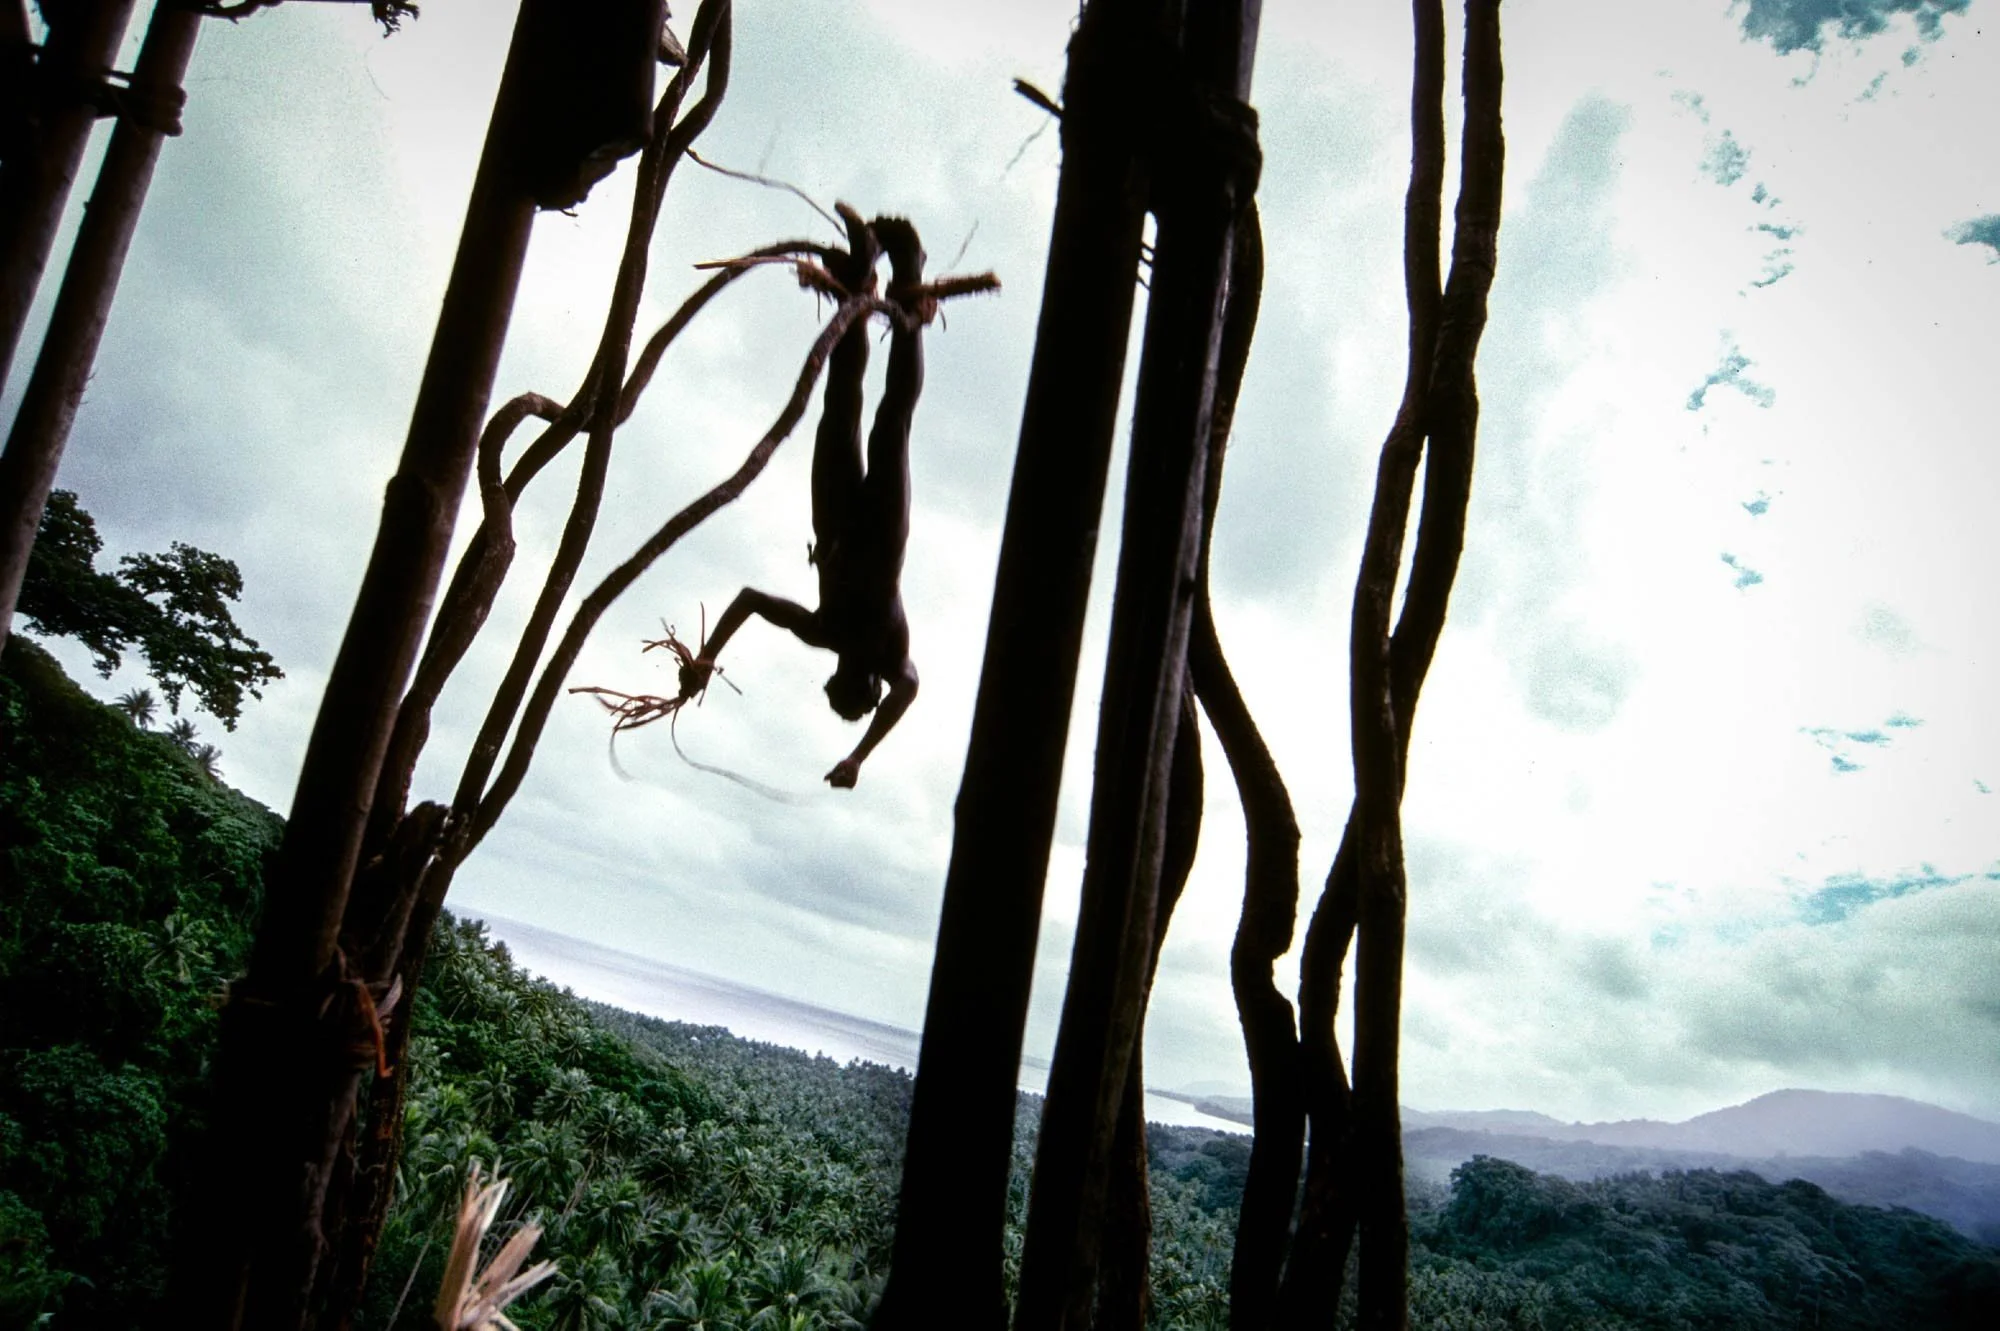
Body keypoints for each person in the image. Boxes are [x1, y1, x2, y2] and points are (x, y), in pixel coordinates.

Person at [683, 214, 926, 788]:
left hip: (840, 520)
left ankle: (863, 267)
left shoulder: (826, 633)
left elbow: (746, 600)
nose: (870, 685)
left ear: (852, 681)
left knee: (847, 408)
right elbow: (904, 695)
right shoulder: (885, 660)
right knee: (888, 422)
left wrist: (707, 656)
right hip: (880, 531)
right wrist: (858, 758)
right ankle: (907, 277)